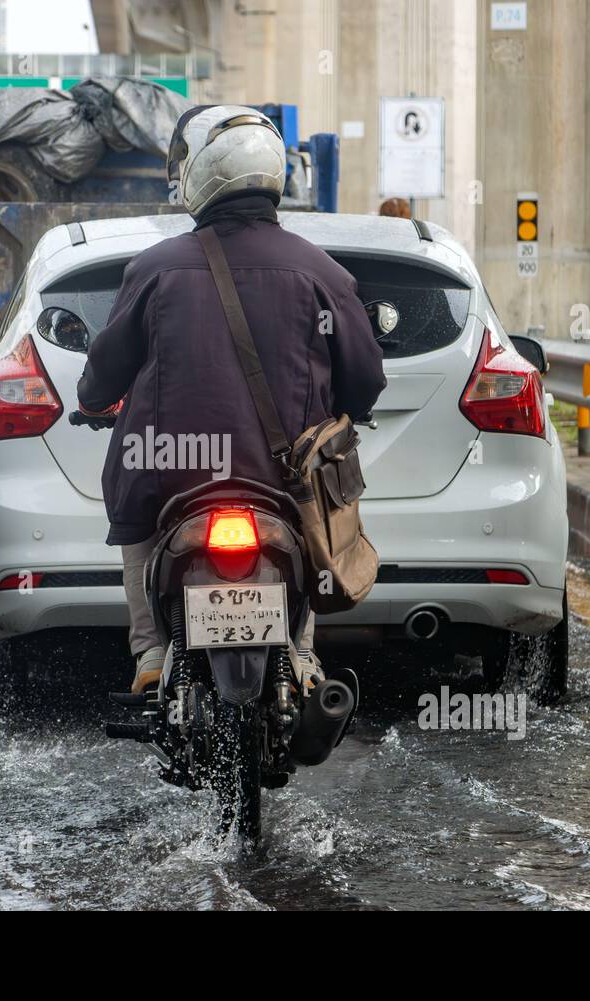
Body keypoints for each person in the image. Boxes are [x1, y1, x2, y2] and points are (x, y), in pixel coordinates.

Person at [76, 105, 387, 694]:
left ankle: (148, 654)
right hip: (284, 474)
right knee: (311, 517)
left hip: (169, 472)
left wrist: (93, 401)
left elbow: (102, 376)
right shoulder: (321, 270)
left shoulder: (154, 268)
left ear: (196, 176)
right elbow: (366, 379)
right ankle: (299, 652)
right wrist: (342, 411)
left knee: (139, 524)